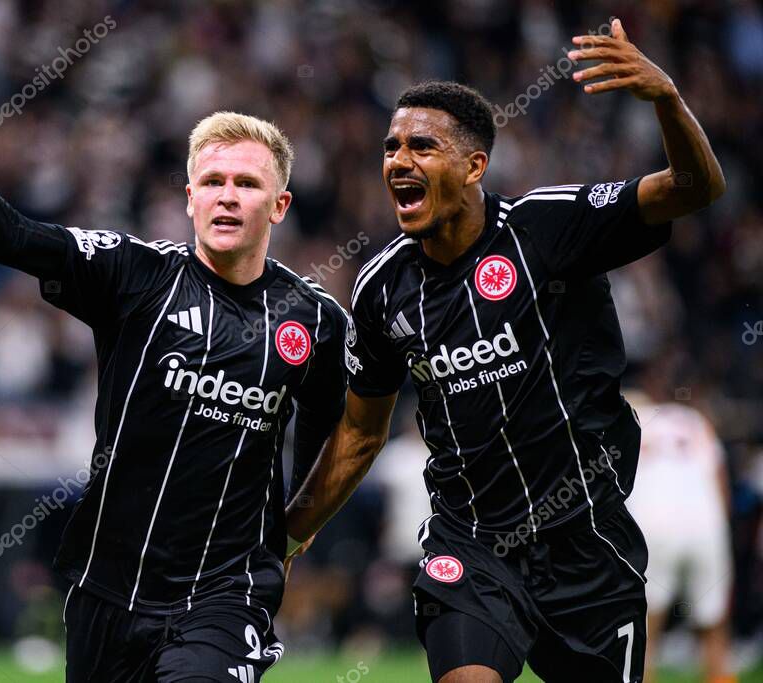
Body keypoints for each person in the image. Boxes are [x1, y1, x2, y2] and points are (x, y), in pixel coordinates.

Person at [286, 18, 725, 683]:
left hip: (588, 543)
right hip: (473, 546)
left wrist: (667, 100)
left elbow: (696, 189)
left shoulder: (548, 228)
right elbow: (358, 431)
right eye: (391, 146)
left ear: (474, 165)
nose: (399, 160)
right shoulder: (382, 287)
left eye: (422, 145)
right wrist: (288, 532)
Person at [0, 106, 347, 682]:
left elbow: (327, 432)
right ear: (189, 197)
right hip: (108, 586)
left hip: (225, 592)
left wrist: (297, 530)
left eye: (247, 184)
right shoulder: (133, 273)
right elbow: (13, 238)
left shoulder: (314, 320)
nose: (227, 196)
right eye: (213, 182)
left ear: (279, 205)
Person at [626, 357, 736, 683]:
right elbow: (721, 486)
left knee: (646, 631)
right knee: (715, 629)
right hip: (706, 525)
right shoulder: (698, 421)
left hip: (654, 524)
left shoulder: (637, 419)